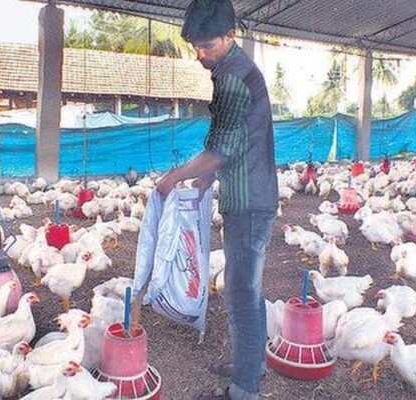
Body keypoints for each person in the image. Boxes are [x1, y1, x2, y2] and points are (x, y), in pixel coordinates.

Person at [155, 0, 278, 399]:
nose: (199, 53)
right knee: (248, 290)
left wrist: (176, 176)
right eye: (194, 45)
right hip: (252, 193)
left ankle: (245, 389)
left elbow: (222, 148)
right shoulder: (237, 70)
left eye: (207, 44)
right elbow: (235, 140)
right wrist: (208, 176)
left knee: (241, 294)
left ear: (231, 35)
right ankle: (251, 363)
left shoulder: (232, 78)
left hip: (248, 200)